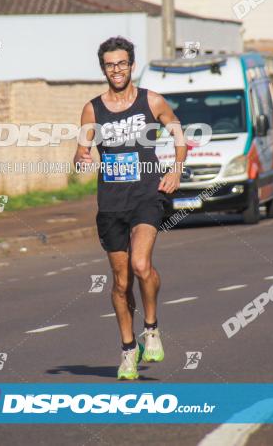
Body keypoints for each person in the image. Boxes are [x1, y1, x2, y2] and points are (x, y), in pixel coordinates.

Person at [73, 36, 186, 380]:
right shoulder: (93, 109)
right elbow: (82, 149)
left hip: (146, 196)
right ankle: (127, 350)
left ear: (132, 65)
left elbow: (179, 135)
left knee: (141, 264)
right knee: (121, 283)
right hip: (111, 204)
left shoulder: (151, 101)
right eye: (110, 64)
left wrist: (176, 169)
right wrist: (80, 157)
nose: (117, 69)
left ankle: (150, 327)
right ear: (103, 68)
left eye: (122, 63)